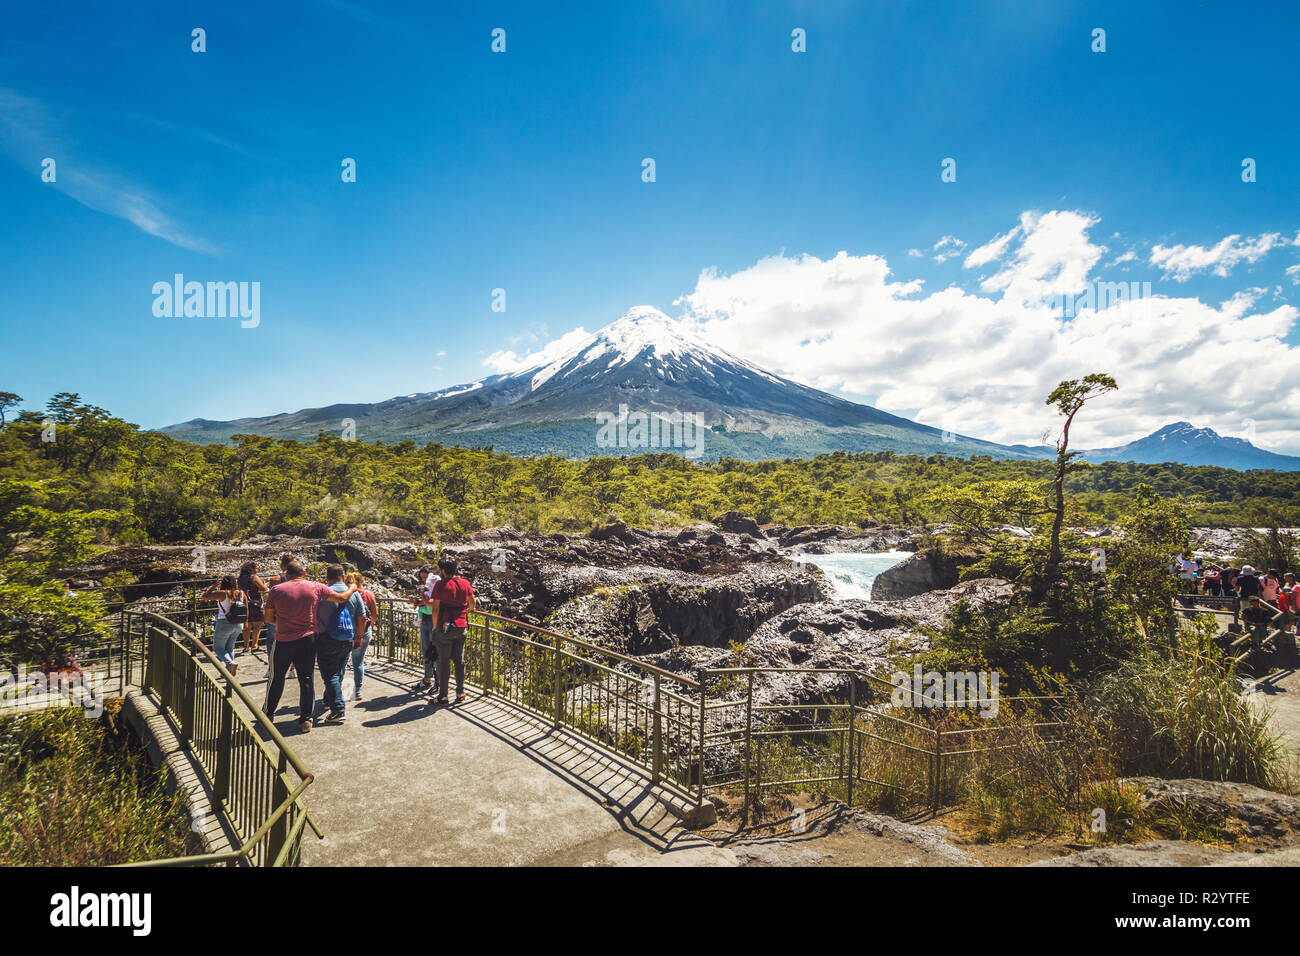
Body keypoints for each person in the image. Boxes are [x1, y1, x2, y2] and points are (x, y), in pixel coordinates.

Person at [263, 560, 360, 733]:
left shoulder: (276, 590)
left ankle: (268, 714)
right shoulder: (315, 587)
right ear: (304, 573)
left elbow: (268, 618)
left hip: (283, 640)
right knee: (306, 679)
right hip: (308, 640)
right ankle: (306, 719)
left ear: (286, 574)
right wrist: (352, 588)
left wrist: (284, 624)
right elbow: (341, 598)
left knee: (276, 677)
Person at [315, 565, 368, 723]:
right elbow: (362, 618)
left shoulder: (322, 592)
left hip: (325, 638)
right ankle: (328, 699)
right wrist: (359, 637)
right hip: (347, 638)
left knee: (330, 674)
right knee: (338, 670)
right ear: (343, 576)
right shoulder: (354, 593)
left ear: (327, 577)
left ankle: (338, 709)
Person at [429, 557, 475, 706]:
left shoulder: (440, 585)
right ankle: (460, 692)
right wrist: (465, 611)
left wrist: (435, 627)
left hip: (444, 627)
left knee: (444, 662)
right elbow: (472, 604)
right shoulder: (465, 583)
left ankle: (443, 696)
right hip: (461, 626)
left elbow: (435, 608)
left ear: (442, 570)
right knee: (459, 660)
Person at [201, 576, 246, 676]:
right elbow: (246, 608)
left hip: (224, 623)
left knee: (218, 648)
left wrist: (214, 585)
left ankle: (230, 663)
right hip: (238, 624)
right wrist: (245, 623)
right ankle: (228, 670)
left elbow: (204, 596)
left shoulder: (222, 593)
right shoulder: (240, 593)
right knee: (230, 647)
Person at [408, 566, 440, 696]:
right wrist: (420, 602)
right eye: (421, 577)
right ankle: (427, 678)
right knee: (426, 649)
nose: (423, 579)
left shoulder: (435, 584)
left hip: (433, 619)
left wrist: (421, 602)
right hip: (426, 618)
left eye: (424, 577)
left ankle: (437, 681)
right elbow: (427, 601)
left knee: (435, 651)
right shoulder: (427, 586)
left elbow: (431, 602)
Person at [348, 572, 378, 700]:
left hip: (348, 631)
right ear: (361, 581)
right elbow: (374, 613)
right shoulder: (368, 594)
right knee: (358, 661)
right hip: (364, 631)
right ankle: (358, 690)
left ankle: (335, 690)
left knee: (342, 662)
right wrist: (369, 626)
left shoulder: (347, 594)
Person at [238, 561, 269, 655]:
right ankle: (254, 645)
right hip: (255, 603)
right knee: (257, 625)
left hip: (244, 602)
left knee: (246, 626)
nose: (257, 569)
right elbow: (263, 588)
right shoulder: (254, 577)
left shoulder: (240, 578)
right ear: (251, 569)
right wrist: (266, 584)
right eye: (256, 568)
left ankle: (246, 646)